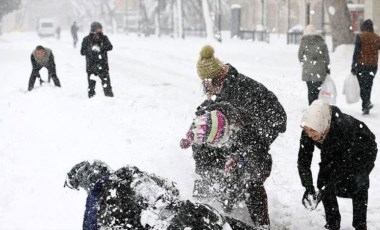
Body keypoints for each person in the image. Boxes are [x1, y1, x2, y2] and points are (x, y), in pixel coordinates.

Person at [181, 45, 287, 229]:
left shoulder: (243, 91)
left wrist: (244, 150)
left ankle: (261, 225)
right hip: (233, 136)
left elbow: (278, 120)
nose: (206, 89)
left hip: (258, 135)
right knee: (220, 178)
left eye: (206, 83)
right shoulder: (216, 99)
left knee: (249, 176)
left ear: (216, 79)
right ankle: (224, 212)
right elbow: (203, 132)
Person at [64, 160, 256, 230]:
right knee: (219, 220)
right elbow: (172, 188)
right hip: (188, 212)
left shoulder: (98, 205)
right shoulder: (129, 171)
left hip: (164, 224)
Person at [297, 99, 377, 230]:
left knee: (359, 183)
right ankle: (332, 223)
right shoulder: (310, 127)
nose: (309, 134)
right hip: (334, 150)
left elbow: (369, 147)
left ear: (322, 125)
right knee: (324, 182)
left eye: (312, 131)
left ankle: (360, 224)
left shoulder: (344, 126)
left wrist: (363, 171)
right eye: (306, 130)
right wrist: (308, 187)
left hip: (361, 150)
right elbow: (303, 161)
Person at [351, 19, 380, 114]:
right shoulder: (376, 37)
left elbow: (356, 52)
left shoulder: (360, 36)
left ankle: (365, 103)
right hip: (372, 65)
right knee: (368, 84)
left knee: (362, 85)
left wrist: (353, 65)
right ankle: (366, 103)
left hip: (361, 65)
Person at [298, 24, 330, 105]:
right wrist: (327, 67)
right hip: (320, 70)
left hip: (308, 70)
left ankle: (311, 107)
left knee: (310, 90)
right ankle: (317, 107)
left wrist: (305, 63)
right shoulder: (321, 41)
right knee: (318, 91)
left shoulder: (304, 41)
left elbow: (300, 55)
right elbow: (326, 56)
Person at [80, 22, 114, 98]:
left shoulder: (104, 38)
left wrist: (100, 48)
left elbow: (110, 47)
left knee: (107, 86)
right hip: (91, 66)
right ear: (94, 29)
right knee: (91, 87)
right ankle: (91, 101)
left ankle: (110, 101)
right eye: (99, 28)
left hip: (103, 65)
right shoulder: (86, 39)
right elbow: (82, 52)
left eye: (101, 27)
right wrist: (91, 50)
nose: (101, 29)